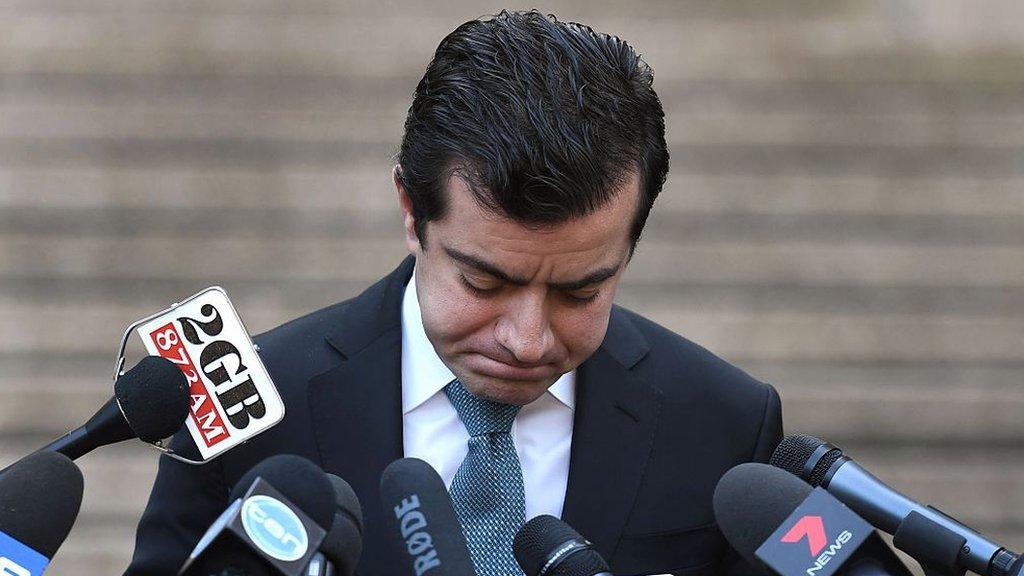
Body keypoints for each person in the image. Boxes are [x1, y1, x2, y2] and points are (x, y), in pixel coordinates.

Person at [127, 11, 781, 576]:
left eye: (580, 292)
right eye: (484, 282)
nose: (527, 338)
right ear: (413, 212)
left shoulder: (724, 425)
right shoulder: (246, 411)